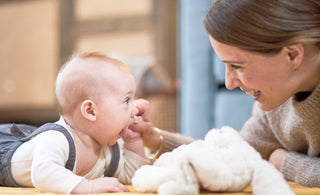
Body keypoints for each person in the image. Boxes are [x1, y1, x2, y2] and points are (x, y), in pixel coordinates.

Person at [130, 0, 320, 188]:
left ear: (293, 55)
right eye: (227, 67)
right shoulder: (277, 103)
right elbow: (233, 154)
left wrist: (282, 162)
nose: (230, 83)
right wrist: (155, 138)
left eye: (237, 66)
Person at [1, 52, 150, 193]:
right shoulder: (57, 138)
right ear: (91, 111)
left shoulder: (106, 148)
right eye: (126, 100)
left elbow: (131, 176)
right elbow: (42, 173)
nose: (134, 109)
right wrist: (87, 186)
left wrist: (133, 142)